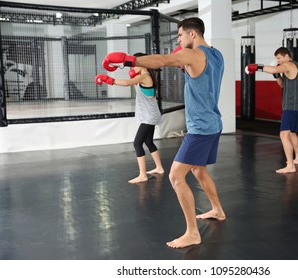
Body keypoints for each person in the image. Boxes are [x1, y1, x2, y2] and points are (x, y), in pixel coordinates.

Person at [101, 17, 226, 249]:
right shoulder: (216, 54)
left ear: (192, 34)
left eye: (180, 35)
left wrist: (128, 60)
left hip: (200, 128)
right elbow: (193, 68)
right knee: (199, 171)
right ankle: (217, 210)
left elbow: (164, 60)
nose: (178, 40)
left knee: (176, 176)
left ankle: (192, 233)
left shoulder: (193, 54)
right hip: (214, 123)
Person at [95, 53, 164, 184]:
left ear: (141, 64)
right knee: (148, 142)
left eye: (134, 65)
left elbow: (127, 83)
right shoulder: (141, 77)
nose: (131, 67)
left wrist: (108, 79)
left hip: (149, 116)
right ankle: (159, 168)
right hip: (150, 114)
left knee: (137, 143)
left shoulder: (145, 77)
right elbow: (134, 85)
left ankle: (142, 175)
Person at [245, 47, 298, 173]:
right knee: (292, 133)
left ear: (287, 56)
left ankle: (290, 166)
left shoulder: (289, 65)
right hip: (296, 106)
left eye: (279, 58)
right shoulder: (295, 67)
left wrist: (256, 67)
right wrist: (276, 75)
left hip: (291, 106)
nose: (278, 61)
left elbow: (273, 69)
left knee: (283, 135)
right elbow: (282, 84)